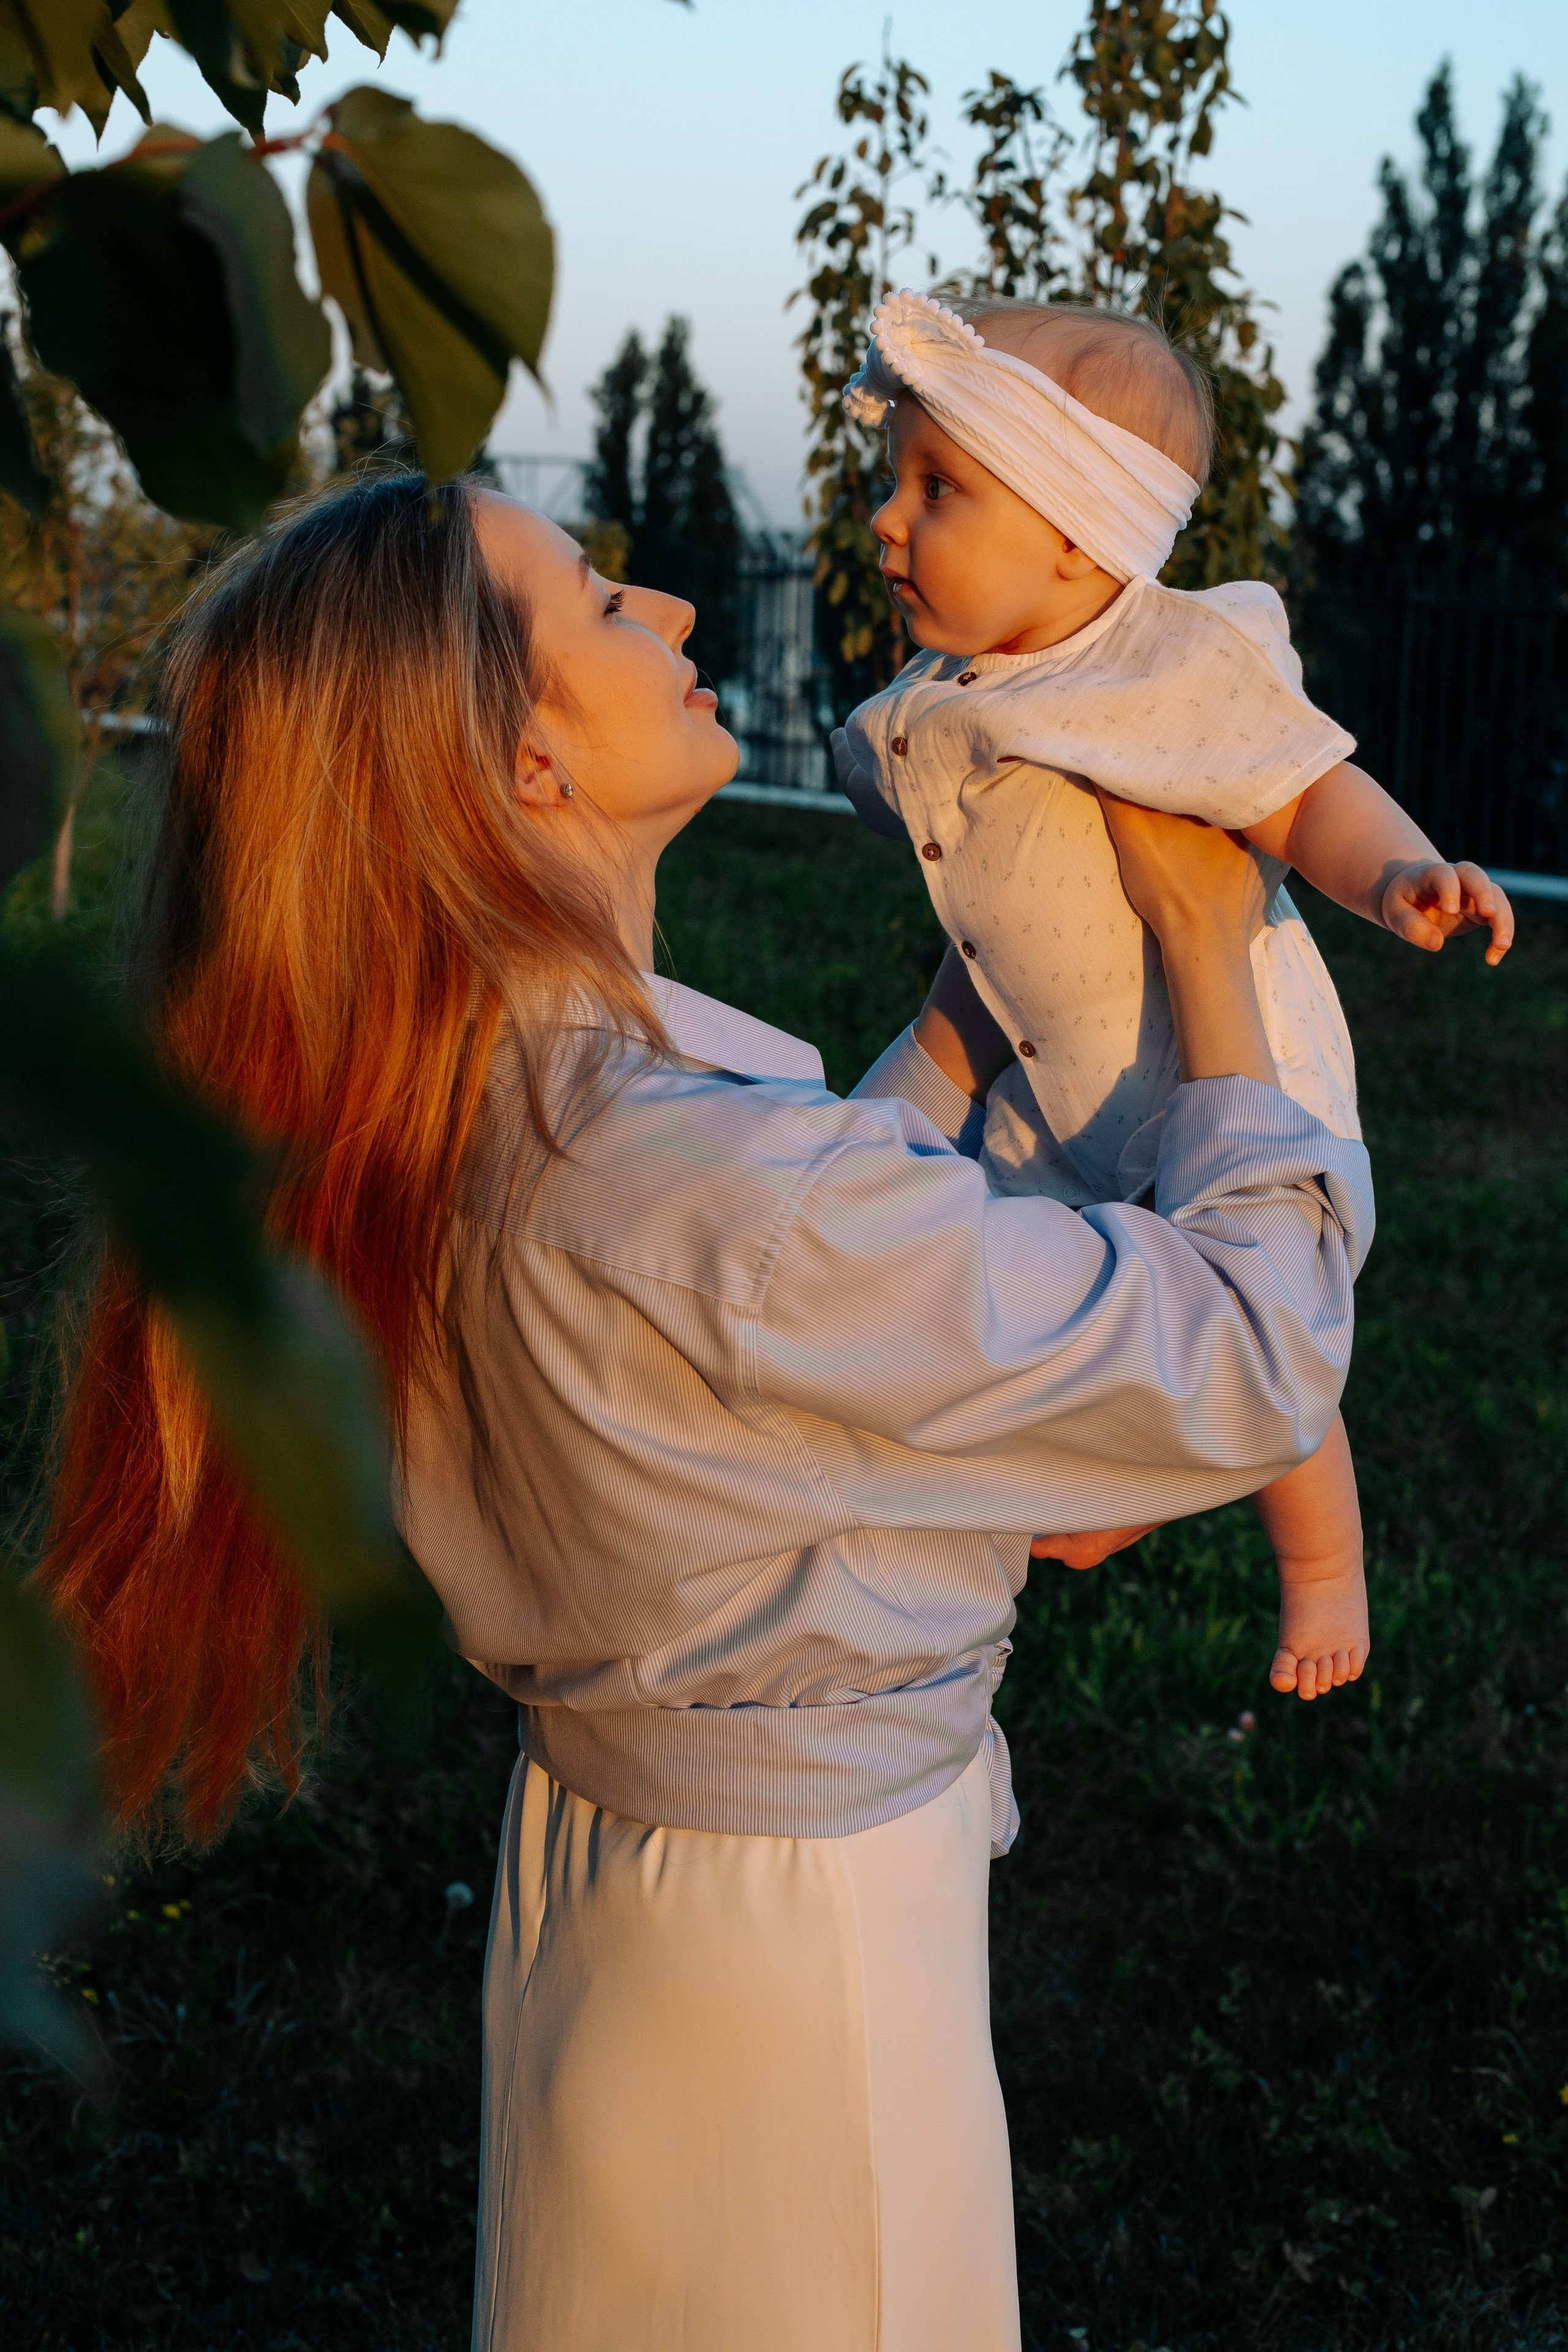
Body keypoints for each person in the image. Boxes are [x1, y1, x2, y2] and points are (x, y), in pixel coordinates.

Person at [40, 473, 1371, 2352]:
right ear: (523, 764)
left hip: (612, 1889)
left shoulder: (417, 1103)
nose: (665, 607)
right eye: (595, 602)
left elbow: (769, 1317)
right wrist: (1212, 951)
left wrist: (986, 1012)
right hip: (805, 1974)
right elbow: (1248, 1353)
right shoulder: (707, 1189)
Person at [831, 289, 1515, 1705]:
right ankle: (1117, 1473)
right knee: (1038, 1311)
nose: (886, 520)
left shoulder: (1166, 664)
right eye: (891, 481)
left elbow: (1301, 787)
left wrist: (1396, 875)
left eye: (937, 488)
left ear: (1076, 536)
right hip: (1043, 1090)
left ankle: (1322, 1568)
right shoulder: (954, 686)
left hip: (1220, 1077)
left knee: (1270, 1346)